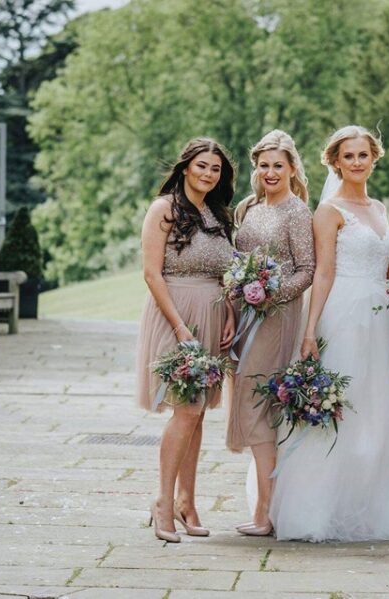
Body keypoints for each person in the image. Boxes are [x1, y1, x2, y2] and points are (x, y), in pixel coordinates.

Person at [269, 125, 389, 541]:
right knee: (344, 404)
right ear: (336, 162)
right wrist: (310, 330)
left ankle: (375, 509)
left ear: (374, 158)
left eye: (363, 155)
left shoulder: (381, 208)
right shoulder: (329, 211)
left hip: (381, 317)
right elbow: (324, 271)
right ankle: (316, 510)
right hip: (344, 312)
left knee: (377, 410)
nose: (356, 162)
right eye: (348, 156)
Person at [136, 137, 236, 542]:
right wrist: (179, 327)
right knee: (187, 410)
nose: (208, 174)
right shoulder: (164, 210)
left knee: (197, 414)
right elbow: (151, 274)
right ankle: (162, 500)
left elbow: (225, 271)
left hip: (212, 317)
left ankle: (187, 501)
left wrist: (229, 310)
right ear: (185, 168)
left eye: (215, 169)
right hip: (175, 316)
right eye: (201, 166)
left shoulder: (215, 213)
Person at [226, 130, 315, 536]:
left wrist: (273, 293)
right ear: (256, 169)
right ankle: (267, 505)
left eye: (278, 165)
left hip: (277, 318)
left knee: (257, 406)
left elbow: (306, 269)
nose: (271, 172)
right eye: (264, 165)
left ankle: (265, 512)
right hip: (246, 317)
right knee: (251, 404)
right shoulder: (249, 208)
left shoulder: (297, 213)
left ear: (292, 168)